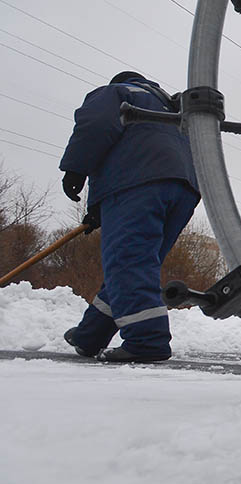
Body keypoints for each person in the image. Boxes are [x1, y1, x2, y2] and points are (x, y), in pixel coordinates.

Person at [60, 71, 200, 363]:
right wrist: (100, 210)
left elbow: (97, 124)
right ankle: (89, 336)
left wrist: (76, 167)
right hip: (184, 188)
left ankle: (148, 340)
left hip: (138, 181)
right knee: (135, 264)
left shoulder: (119, 92)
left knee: (128, 262)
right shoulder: (171, 106)